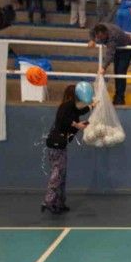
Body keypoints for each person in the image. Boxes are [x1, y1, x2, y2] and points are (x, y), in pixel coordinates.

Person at [43, 85, 96, 214]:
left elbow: (79, 112)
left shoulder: (71, 108)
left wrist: (92, 106)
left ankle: (60, 203)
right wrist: (76, 124)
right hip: (56, 145)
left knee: (62, 174)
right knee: (57, 173)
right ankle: (49, 201)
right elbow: (64, 120)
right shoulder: (66, 106)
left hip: (60, 146)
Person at [88, 23, 131, 105]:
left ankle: (120, 98)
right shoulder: (96, 27)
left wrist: (103, 67)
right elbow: (91, 31)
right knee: (116, 72)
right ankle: (117, 96)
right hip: (118, 49)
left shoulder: (112, 36)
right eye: (98, 37)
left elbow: (109, 54)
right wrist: (92, 40)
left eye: (101, 37)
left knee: (120, 73)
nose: (100, 39)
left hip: (126, 49)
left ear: (106, 33)